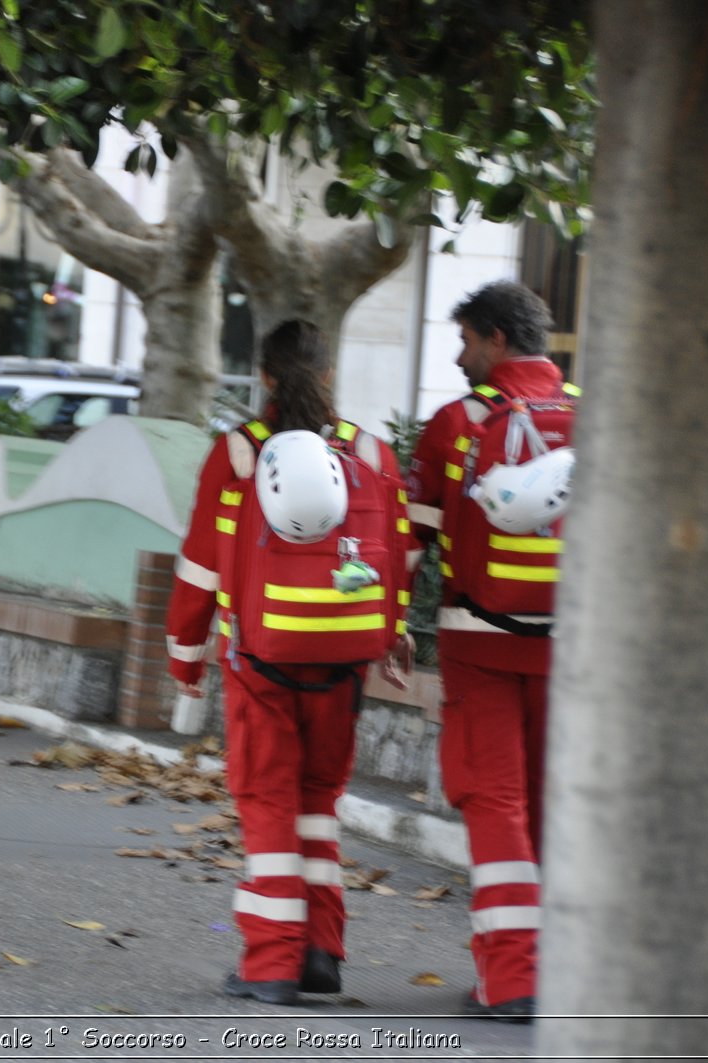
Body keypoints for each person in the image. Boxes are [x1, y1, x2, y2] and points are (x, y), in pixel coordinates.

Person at [164, 320, 412, 1005]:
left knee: (268, 801)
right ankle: (323, 951)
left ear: (265, 377)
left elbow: (198, 565)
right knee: (317, 804)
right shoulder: (371, 451)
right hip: (344, 662)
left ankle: (271, 961)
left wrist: (184, 655)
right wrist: (391, 632)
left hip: (260, 664)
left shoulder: (239, 454)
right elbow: (397, 556)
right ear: (328, 374)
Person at [404, 281, 576, 1023]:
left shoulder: (456, 425)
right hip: (575, 649)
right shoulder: (597, 416)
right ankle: (564, 972)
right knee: (551, 805)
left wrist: (385, 621)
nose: (458, 354)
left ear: (497, 339)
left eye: (468, 340)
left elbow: (410, 541)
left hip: (482, 644)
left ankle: (512, 977)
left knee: (496, 800)